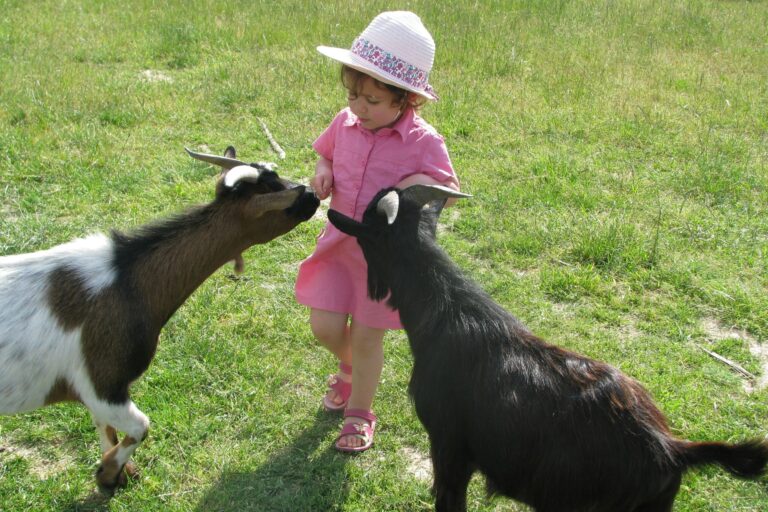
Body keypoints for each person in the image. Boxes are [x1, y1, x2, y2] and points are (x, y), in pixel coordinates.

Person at [295, 11, 460, 452]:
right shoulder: (343, 123)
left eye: (371, 100)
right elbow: (325, 154)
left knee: (369, 336)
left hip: (383, 262)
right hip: (338, 245)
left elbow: (447, 189)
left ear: (405, 100)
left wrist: (407, 189)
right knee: (325, 325)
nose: (358, 107)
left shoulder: (425, 142)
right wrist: (323, 169)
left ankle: (359, 413)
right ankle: (350, 369)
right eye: (353, 94)